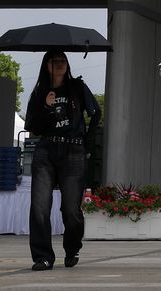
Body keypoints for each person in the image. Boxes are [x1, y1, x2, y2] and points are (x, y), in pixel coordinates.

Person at [24, 51, 100, 271]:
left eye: (63, 61)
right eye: (54, 61)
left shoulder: (77, 87)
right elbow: (33, 126)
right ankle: (43, 257)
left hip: (73, 150)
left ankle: (72, 246)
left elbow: (95, 113)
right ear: (46, 65)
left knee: (71, 209)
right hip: (46, 150)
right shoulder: (39, 92)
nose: (59, 64)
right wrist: (46, 106)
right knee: (39, 206)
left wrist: (87, 142)